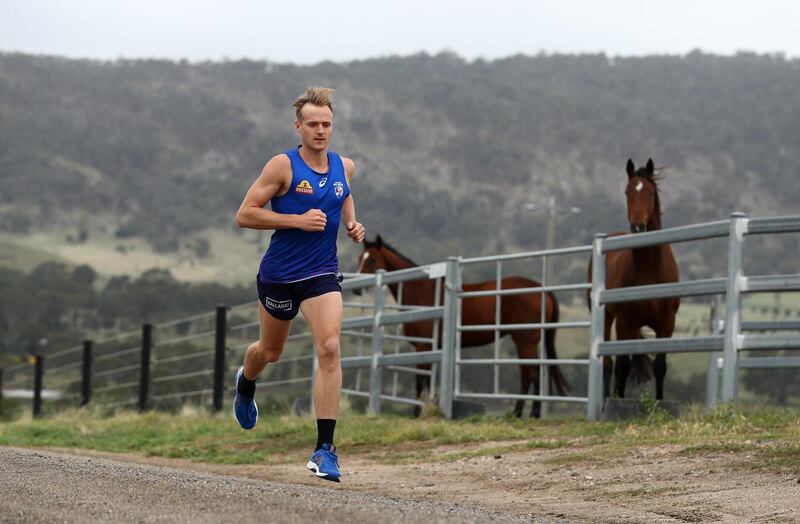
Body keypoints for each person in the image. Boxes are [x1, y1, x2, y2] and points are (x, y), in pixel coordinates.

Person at [233, 86, 365, 483]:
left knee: (329, 347)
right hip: (279, 275)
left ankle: (325, 450)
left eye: (326, 124)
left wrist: (351, 224)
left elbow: (342, 194)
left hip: (322, 273)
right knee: (269, 352)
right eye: (313, 125)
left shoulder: (346, 166)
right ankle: (245, 381)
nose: (321, 131)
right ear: (299, 126)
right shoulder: (282, 166)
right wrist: (297, 220)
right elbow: (245, 214)